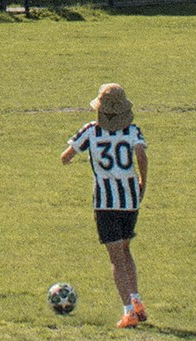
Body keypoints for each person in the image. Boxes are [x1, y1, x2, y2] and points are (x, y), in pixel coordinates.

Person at [62, 81, 148, 327]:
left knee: (115, 259)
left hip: (105, 203)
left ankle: (127, 311)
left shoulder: (91, 131)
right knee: (126, 249)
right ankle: (137, 300)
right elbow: (141, 155)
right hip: (130, 200)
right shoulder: (133, 132)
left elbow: (66, 158)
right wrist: (142, 182)